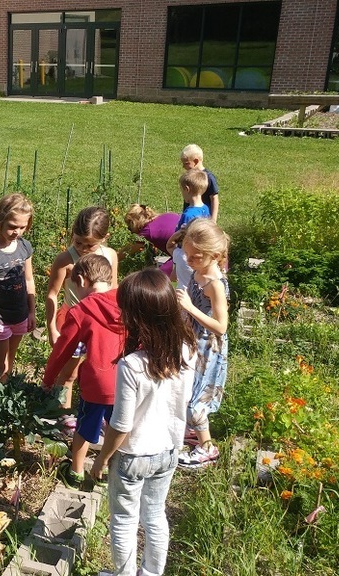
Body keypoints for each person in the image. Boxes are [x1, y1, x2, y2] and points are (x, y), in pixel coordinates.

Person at [90, 268, 196, 576]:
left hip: (133, 455)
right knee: (154, 513)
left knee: (124, 519)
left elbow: (121, 424)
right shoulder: (186, 350)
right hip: (168, 450)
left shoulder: (132, 365)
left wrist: (102, 459)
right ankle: (151, 573)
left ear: (136, 317)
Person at [42, 254, 124, 488]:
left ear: (81, 279)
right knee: (118, 425)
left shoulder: (81, 310)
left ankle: (76, 472)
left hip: (96, 382)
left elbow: (62, 350)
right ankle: (108, 470)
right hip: (126, 379)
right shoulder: (128, 301)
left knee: (85, 427)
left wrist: (48, 380)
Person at [44, 206, 118, 417]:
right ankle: (62, 414)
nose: (84, 248)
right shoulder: (65, 260)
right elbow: (52, 295)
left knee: (101, 367)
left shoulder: (110, 256)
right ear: (72, 234)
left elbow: (113, 289)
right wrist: (51, 328)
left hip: (100, 322)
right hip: (73, 320)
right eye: (78, 242)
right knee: (69, 371)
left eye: (90, 245)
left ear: (105, 238)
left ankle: (99, 412)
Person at [174, 219, 230, 468]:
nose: (188, 261)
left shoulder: (216, 285)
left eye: (195, 257)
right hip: (194, 339)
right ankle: (192, 433)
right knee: (185, 388)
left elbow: (221, 326)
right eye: (186, 254)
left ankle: (207, 448)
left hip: (209, 348)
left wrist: (189, 307)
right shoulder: (200, 272)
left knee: (197, 398)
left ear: (215, 256)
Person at [0, 193, 36, 381]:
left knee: (10, 361)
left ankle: (6, 396)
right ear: (0, 220)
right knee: (0, 364)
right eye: (12, 226)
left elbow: (29, 279)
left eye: (22, 227)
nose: (17, 232)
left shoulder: (24, 246)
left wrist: (32, 311)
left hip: (20, 314)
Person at [123, 204, 180, 277]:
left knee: (155, 278)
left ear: (134, 223)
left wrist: (114, 257)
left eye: (130, 227)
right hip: (192, 244)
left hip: (183, 255)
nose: (131, 231)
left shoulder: (147, 231)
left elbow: (129, 249)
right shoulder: (166, 215)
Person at [180, 144, 219, 221]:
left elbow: (214, 198)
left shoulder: (208, 177)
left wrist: (213, 220)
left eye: (186, 163)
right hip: (190, 213)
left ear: (196, 161)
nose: (183, 166)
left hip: (203, 215)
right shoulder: (189, 176)